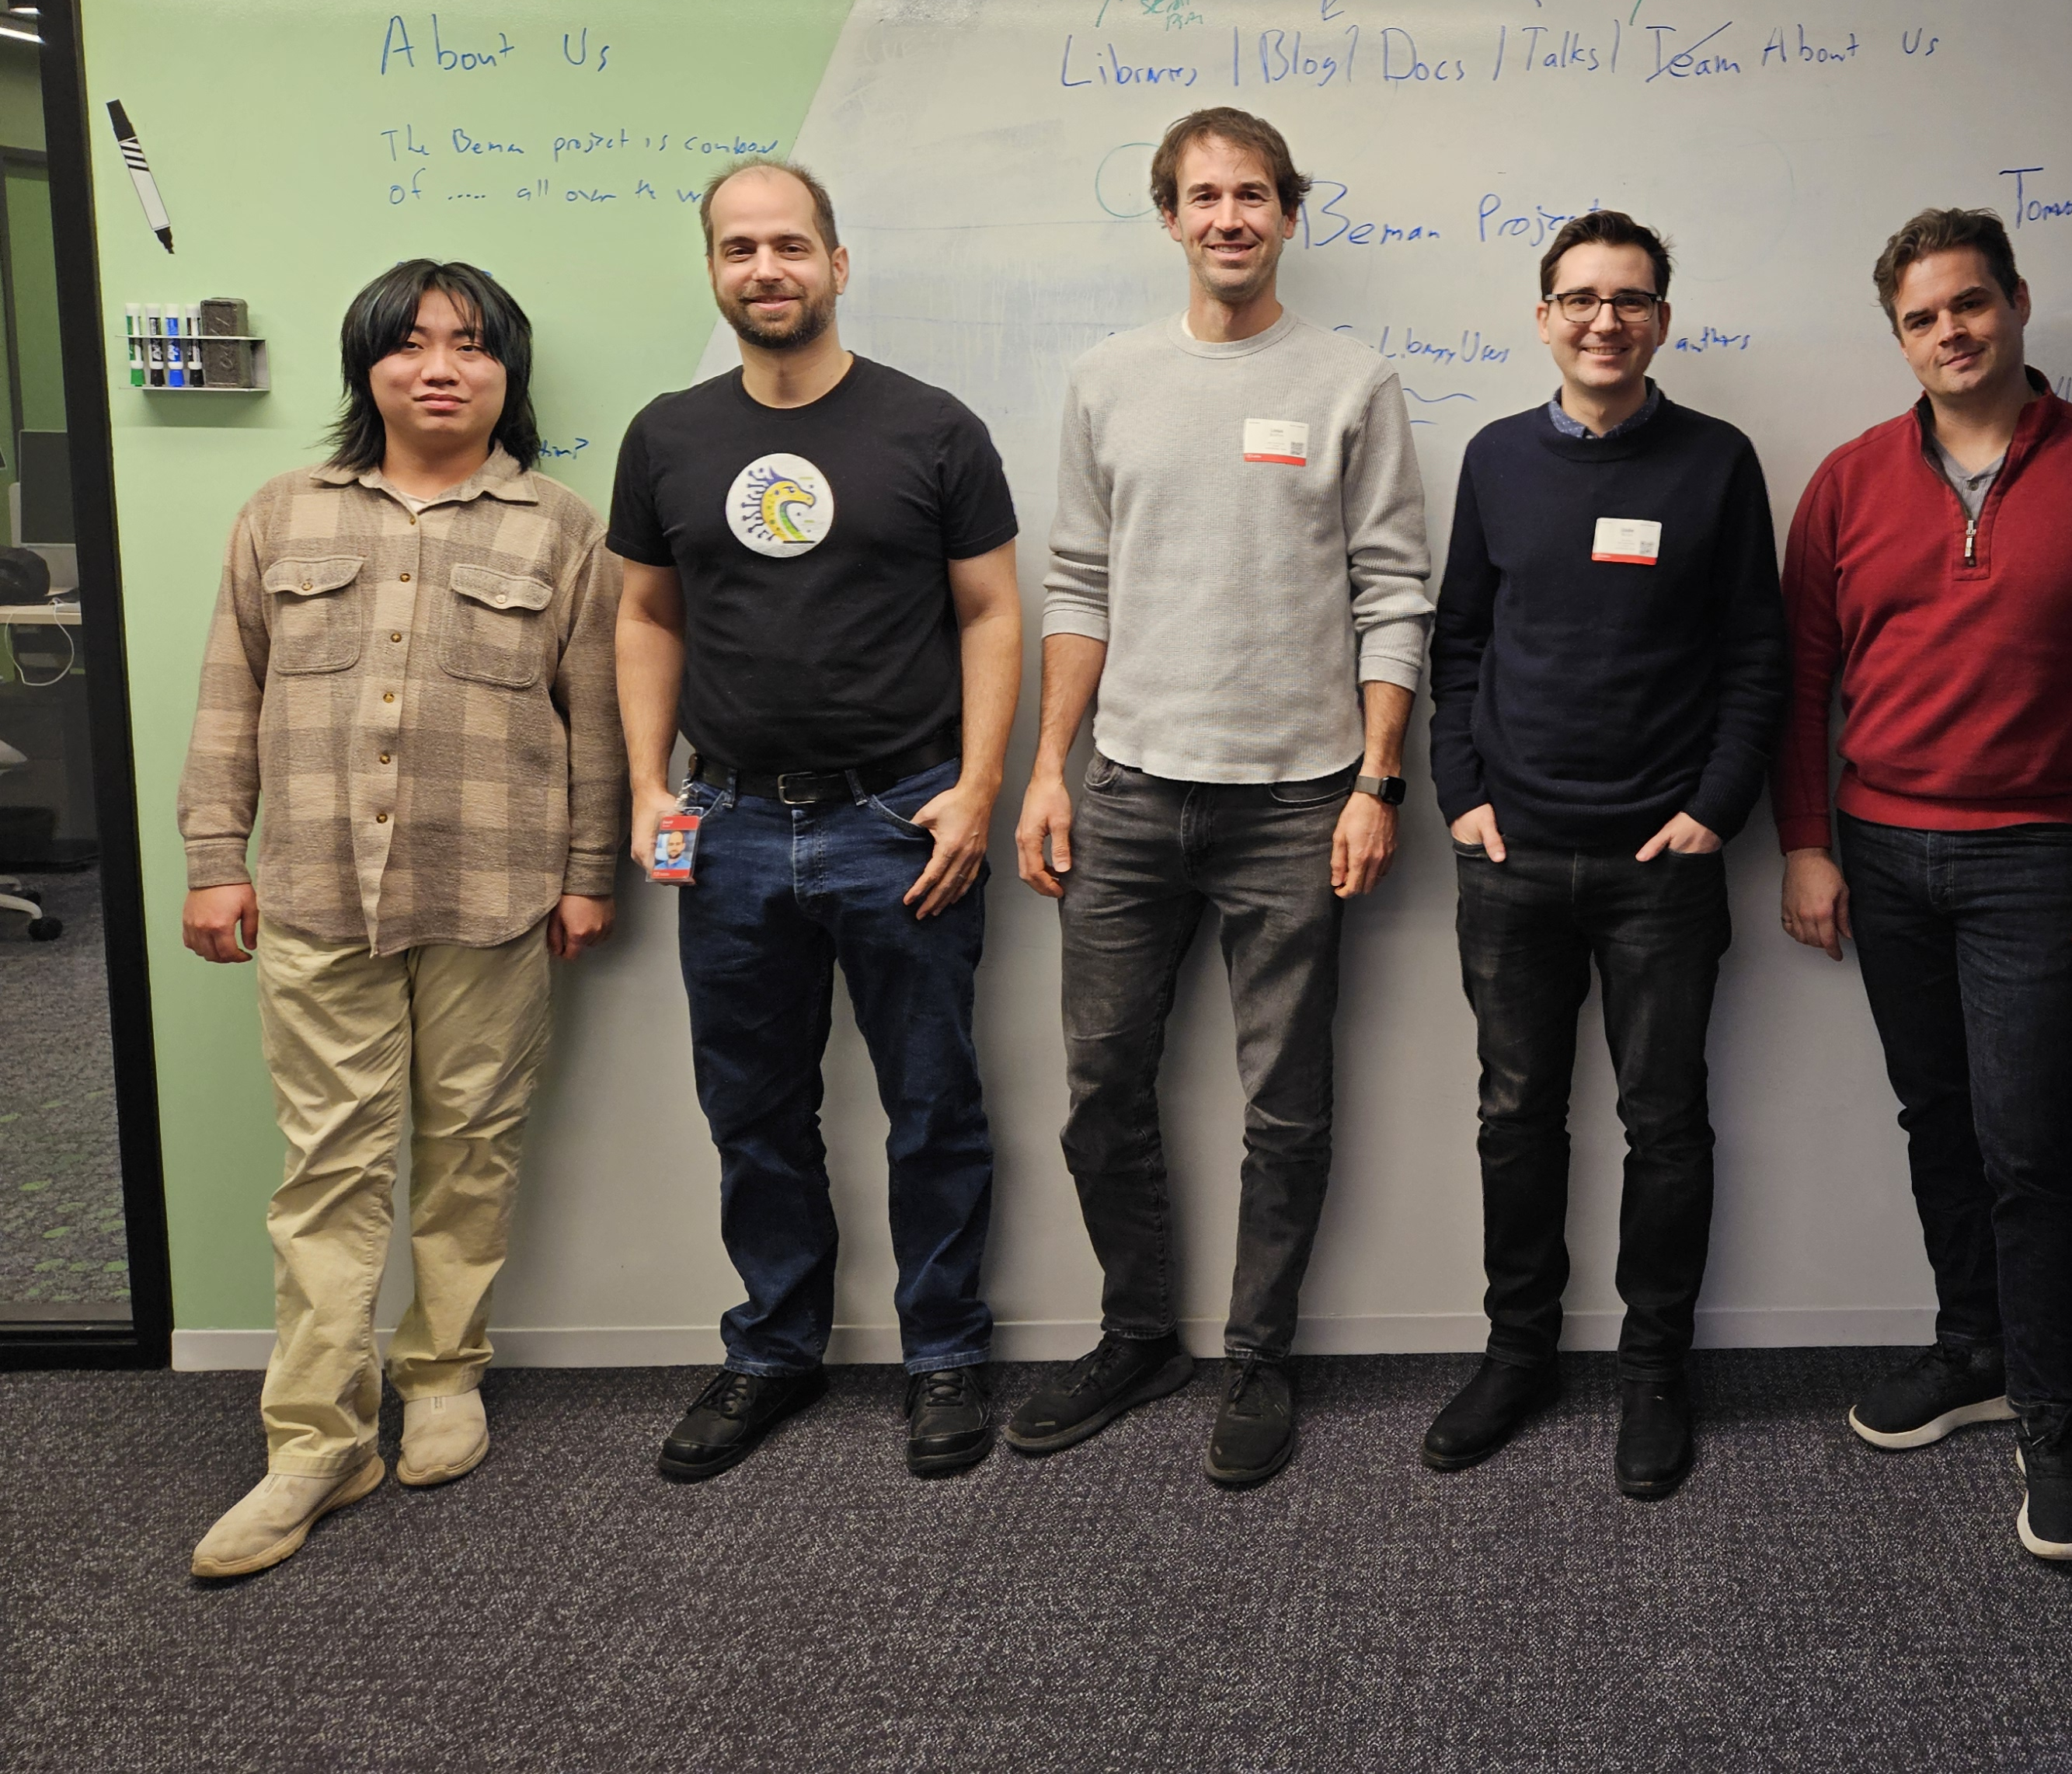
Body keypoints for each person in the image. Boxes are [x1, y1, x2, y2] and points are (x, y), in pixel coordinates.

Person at [1777, 207, 2072, 1564]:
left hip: (2043, 859)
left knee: (2032, 1149)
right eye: (1921, 319)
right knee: (1937, 1121)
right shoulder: (1850, 481)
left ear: (2018, 303)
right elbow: (1804, 678)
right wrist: (1807, 838)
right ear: (1898, 336)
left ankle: (2057, 1422)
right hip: (1881, 851)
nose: (1950, 334)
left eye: (1970, 305)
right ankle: (1972, 1349)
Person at [177, 261, 620, 1578]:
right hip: (313, 896)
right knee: (328, 1166)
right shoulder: (280, 513)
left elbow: (594, 720)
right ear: (368, 367)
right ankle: (315, 1439)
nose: (441, 366)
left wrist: (592, 871)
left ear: (506, 374)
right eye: (413, 345)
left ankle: (441, 1374)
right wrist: (214, 854)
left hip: (494, 896)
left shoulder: (561, 528)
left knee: (470, 1145)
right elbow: (224, 695)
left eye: (471, 347)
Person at [1013, 106, 1432, 1491]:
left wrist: (1378, 781)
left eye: (1253, 195)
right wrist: (1050, 771)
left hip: (1298, 803)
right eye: (1204, 197)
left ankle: (1257, 1356)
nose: (1230, 219)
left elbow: (1391, 594)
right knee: (1099, 1089)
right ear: (1170, 217)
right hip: (1130, 790)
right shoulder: (1106, 381)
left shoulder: (1352, 382)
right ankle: (1139, 1332)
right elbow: (1077, 584)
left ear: (1289, 214)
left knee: (1287, 1104)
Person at [611, 160, 1022, 1483]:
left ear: (838, 266)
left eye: (789, 245)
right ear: (715, 272)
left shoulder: (933, 429)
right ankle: (775, 1352)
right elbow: (646, 616)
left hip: (901, 816)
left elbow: (992, 615)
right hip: (726, 824)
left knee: (933, 1105)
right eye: (738, 249)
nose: (764, 269)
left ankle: (945, 1355)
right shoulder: (667, 436)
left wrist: (976, 787)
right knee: (755, 1113)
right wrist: (647, 788)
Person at [1421, 211, 1787, 1498]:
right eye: (1579, 298)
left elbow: (1757, 652)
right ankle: (1516, 1355)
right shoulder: (1495, 459)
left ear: (1661, 322)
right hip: (1509, 857)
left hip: (1661, 867)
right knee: (1514, 1117)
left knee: (1664, 1126)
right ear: (1543, 318)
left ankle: (1652, 1371)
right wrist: (1458, 793)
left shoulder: (1717, 463)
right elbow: (1458, 638)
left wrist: (1718, 809)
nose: (1603, 320)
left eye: (1630, 300)